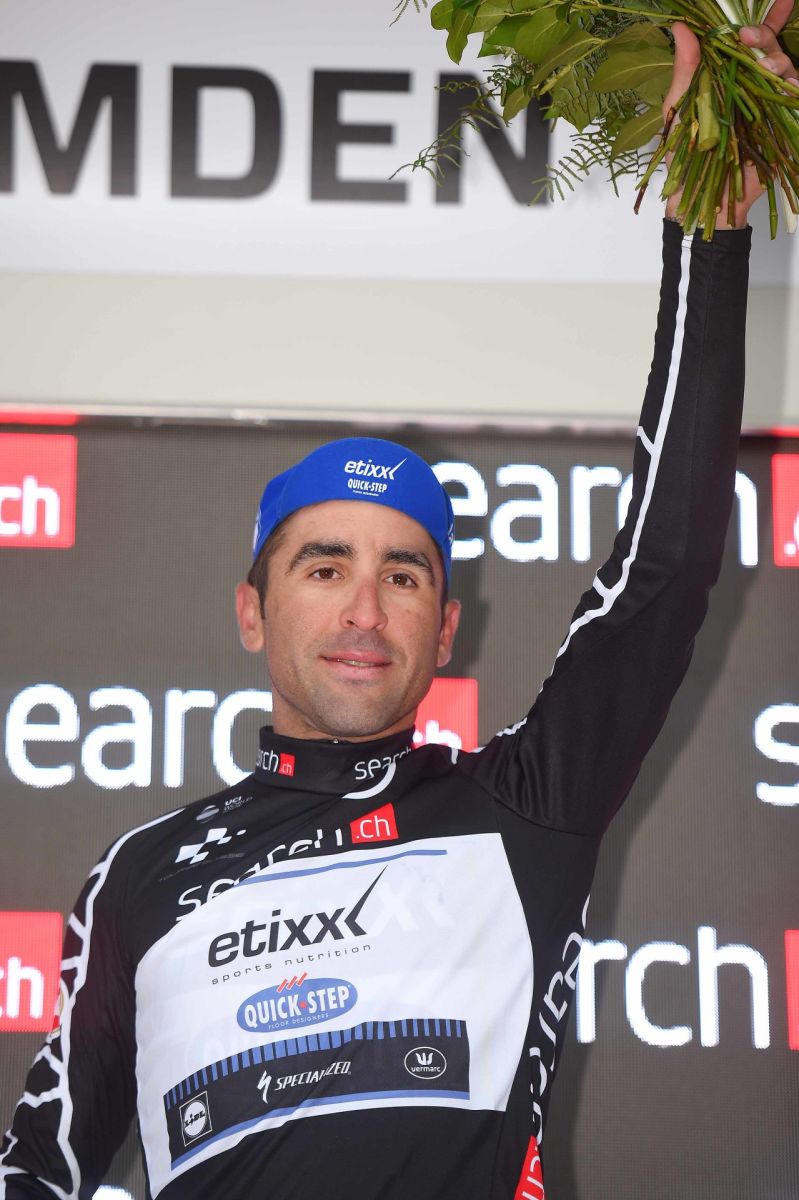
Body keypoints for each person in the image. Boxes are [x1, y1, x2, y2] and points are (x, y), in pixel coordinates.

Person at [2, 14, 798, 1200]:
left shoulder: (520, 806)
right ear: (252, 613)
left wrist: (707, 233)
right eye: (324, 568)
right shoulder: (141, 874)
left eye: (405, 575)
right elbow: (40, 1169)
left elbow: (665, 569)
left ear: (445, 631)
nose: (365, 609)